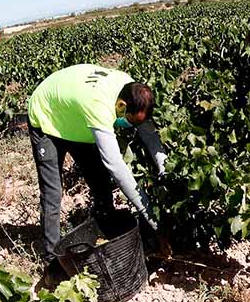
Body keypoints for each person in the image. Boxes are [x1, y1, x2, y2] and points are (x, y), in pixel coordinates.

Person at [26, 64, 167, 263]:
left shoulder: (129, 88)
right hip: (47, 116)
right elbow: (116, 167)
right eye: (130, 121)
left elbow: (147, 131)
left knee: (100, 183)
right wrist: (151, 217)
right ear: (121, 106)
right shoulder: (98, 106)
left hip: (75, 119)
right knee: (52, 193)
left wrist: (164, 166)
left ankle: (106, 237)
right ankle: (52, 262)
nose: (131, 127)